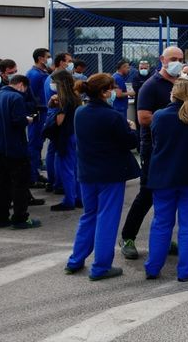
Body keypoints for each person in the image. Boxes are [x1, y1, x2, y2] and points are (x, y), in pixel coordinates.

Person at [65, 73, 141, 280]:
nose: (114, 92)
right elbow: (128, 142)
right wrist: (132, 129)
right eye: (111, 89)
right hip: (110, 174)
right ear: (104, 92)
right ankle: (100, 267)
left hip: (87, 172)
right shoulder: (113, 116)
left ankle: (75, 260)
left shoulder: (80, 112)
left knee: (89, 216)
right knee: (107, 218)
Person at [120, 46, 186, 260]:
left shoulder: (181, 84)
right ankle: (128, 237)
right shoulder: (151, 86)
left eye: (180, 59)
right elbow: (143, 118)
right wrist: (173, 116)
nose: (177, 62)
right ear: (162, 60)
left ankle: (163, 238)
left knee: (167, 194)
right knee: (147, 194)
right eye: (173, 59)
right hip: (153, 148)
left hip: (175, 148)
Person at [144, 78, 188, 282]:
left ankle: (153, 268)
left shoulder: (160, 117)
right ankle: (186, 270)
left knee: (161, 223)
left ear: (173, 94)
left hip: (163, 176)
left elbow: (156, 140)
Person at [0, 75, 40, 229]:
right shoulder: (16, 98)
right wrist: (28, 120)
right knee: (19, 184)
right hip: (14, 147)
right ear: (22, 85)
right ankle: (20, 218)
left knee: (0, 184)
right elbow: (17, 121)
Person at [45, 70, 81, 211]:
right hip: (74, 135)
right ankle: (79, 198)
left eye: (54, 82)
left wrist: (54, 113)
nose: (52, 84)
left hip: (65, 137)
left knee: (66, 170)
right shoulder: (75, 97)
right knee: (76, 169)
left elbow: (59, 121)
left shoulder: (64, 100)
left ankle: (69, 200)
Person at [25, 49, 51, 187]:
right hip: (38, 113)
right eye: (48, 57)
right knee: (34, 144)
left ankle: (35, 173)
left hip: (42, 111)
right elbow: (32, 95)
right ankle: (31, 176)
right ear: (41, 59)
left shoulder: (42, 73)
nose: (49, 59)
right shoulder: (35, 75)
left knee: (38, 144)